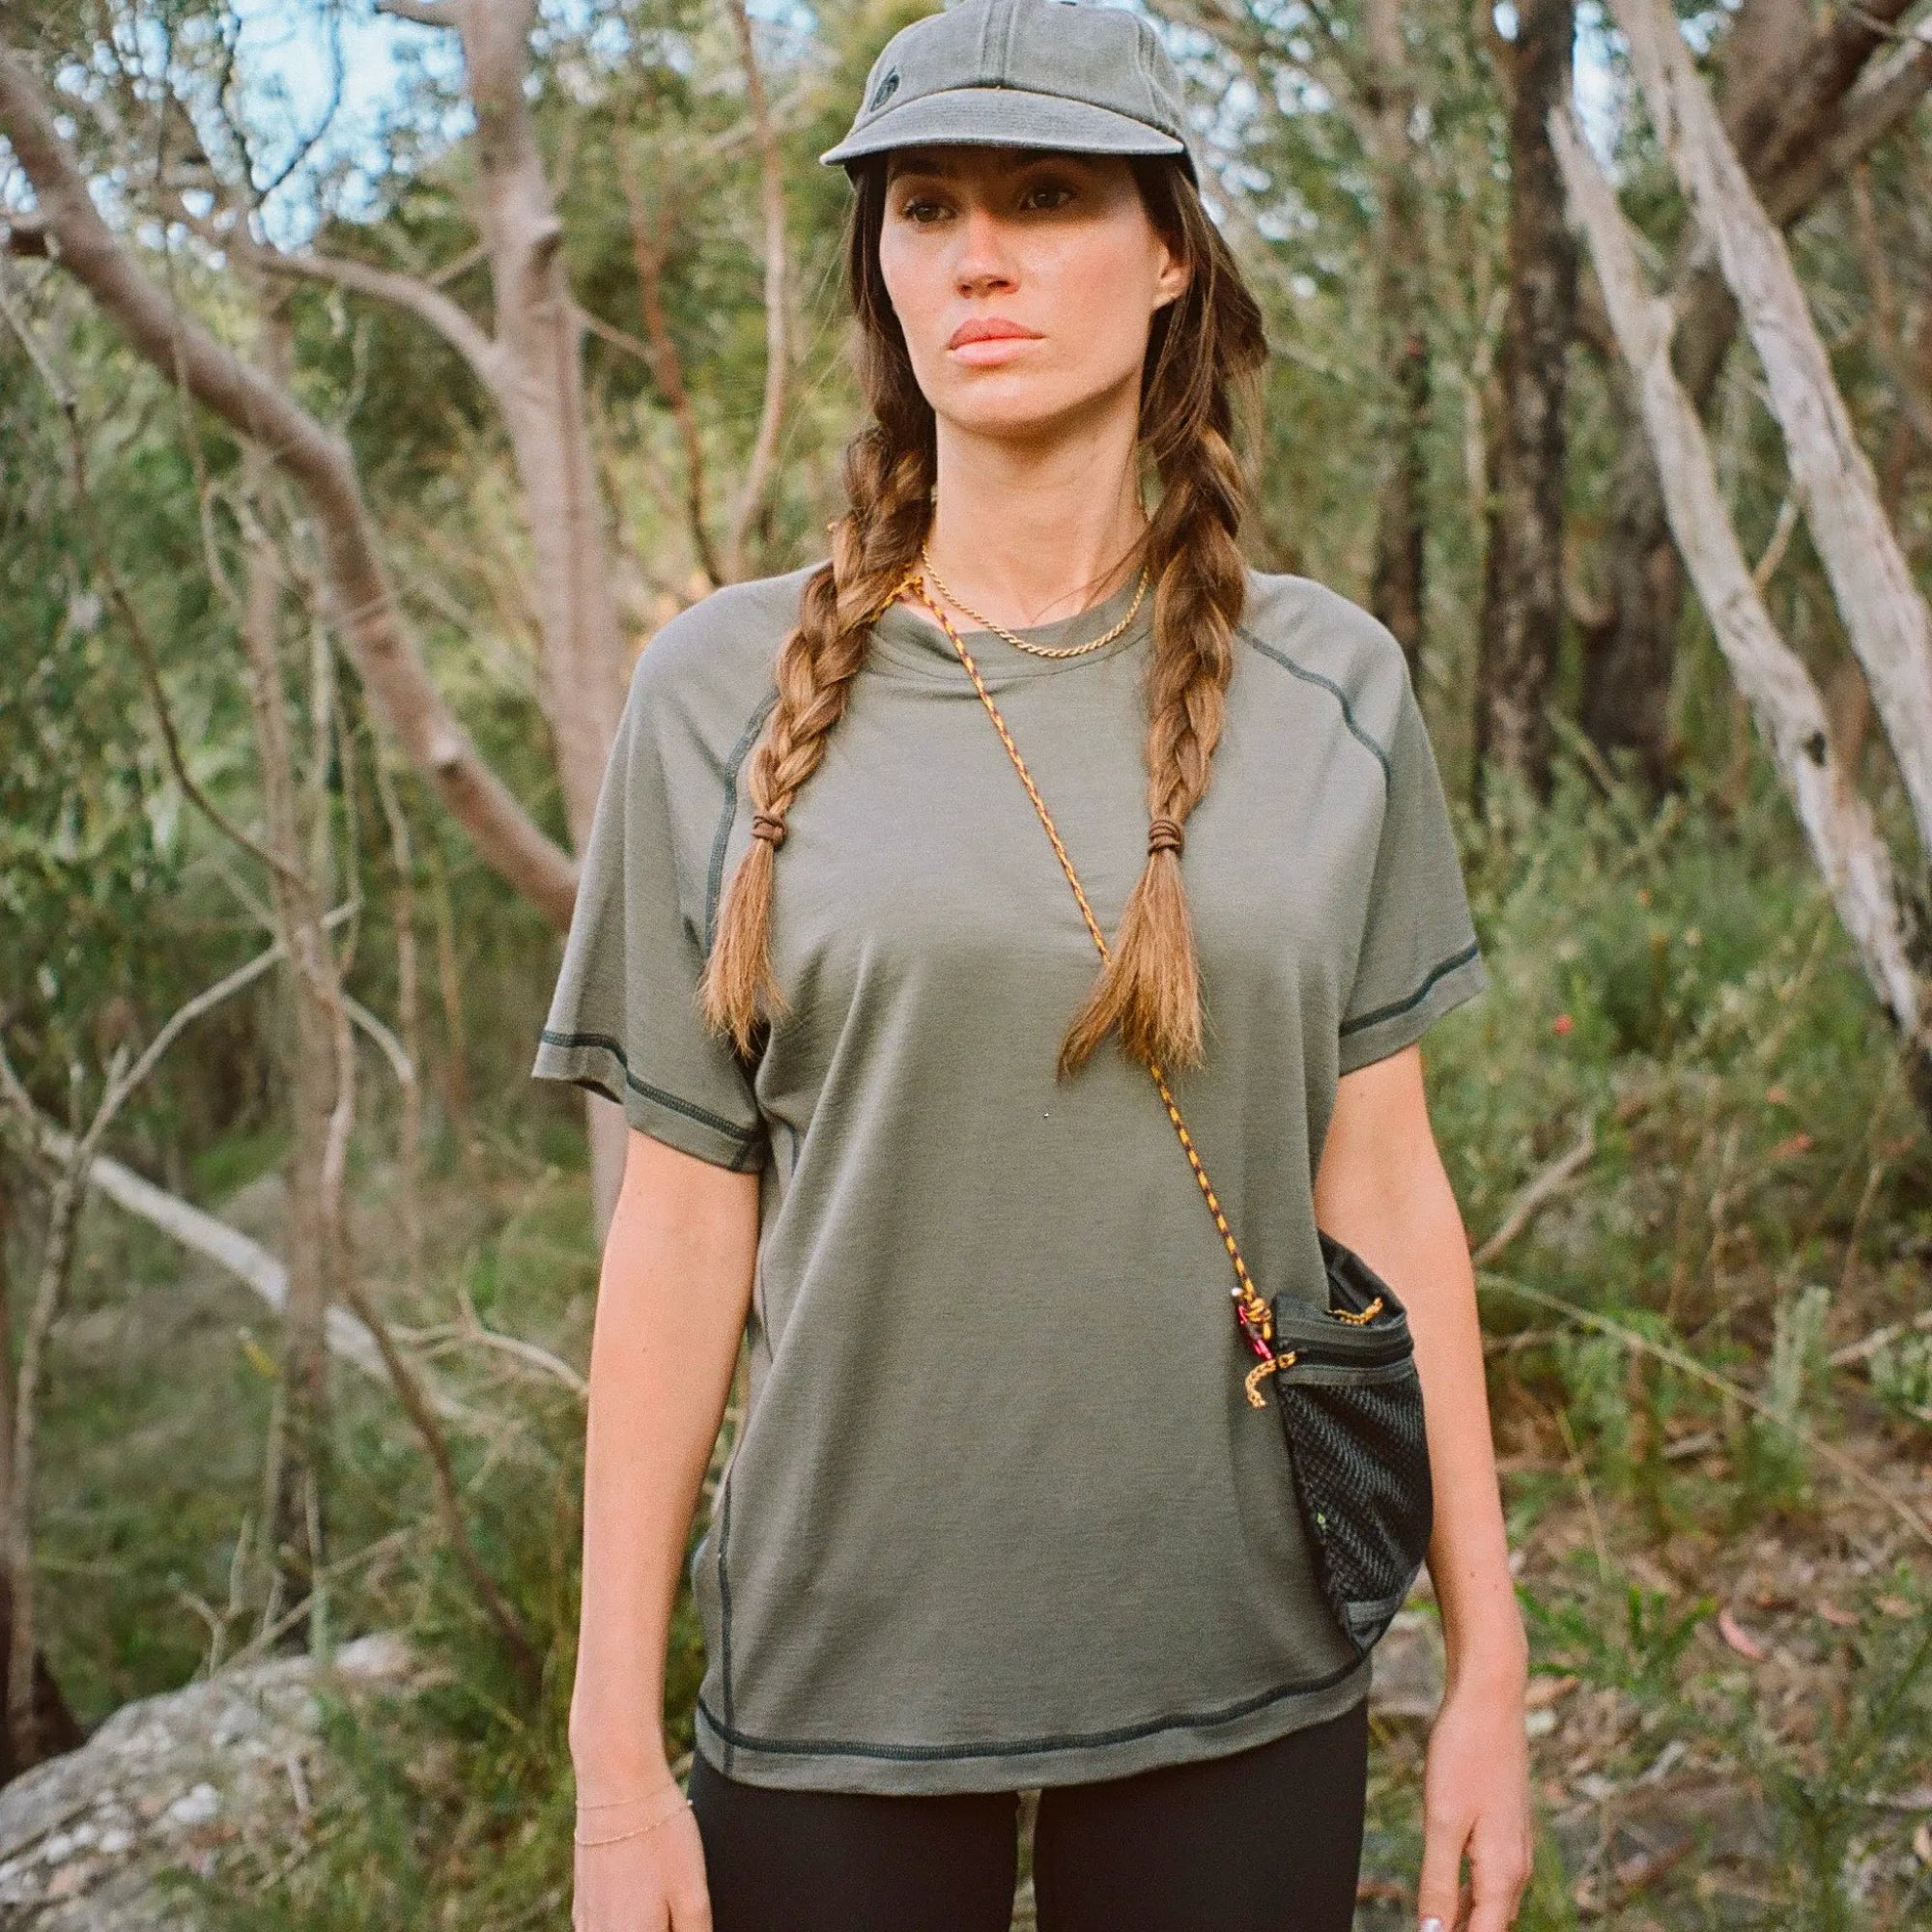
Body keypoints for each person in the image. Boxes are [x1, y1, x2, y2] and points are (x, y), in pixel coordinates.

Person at [533, 1, 1533, 1926]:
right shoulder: (715, 699)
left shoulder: (1332, 685)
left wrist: (1488, 1671)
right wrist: (610, 1760)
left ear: (1168, 253)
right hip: (838, 1692)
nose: (975, 252)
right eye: (924, 206)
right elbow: (675, 1232)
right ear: (881, 266)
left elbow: (1388, 1187)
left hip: (1240, 1670)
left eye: (1047, 195)